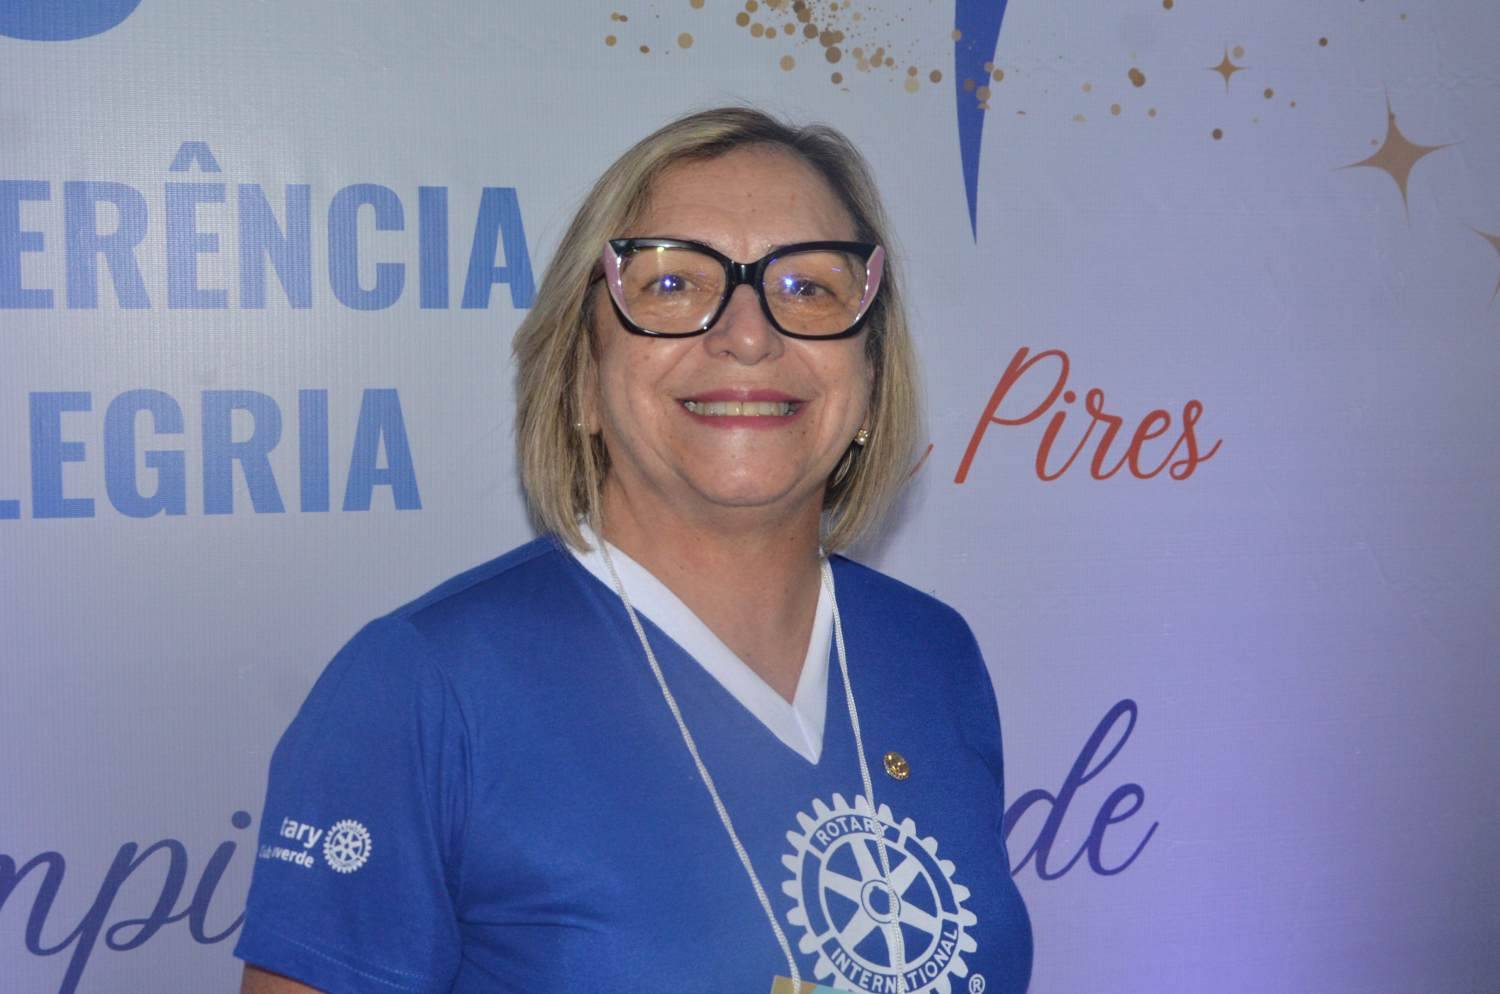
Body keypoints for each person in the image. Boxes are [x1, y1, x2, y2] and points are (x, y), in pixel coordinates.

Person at [236, 106, 1032, 994]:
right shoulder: (423, 686)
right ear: (582, 378)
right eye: (672, 283)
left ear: (871, 379)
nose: (749, 334)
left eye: (809, 287)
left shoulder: (931, 655)